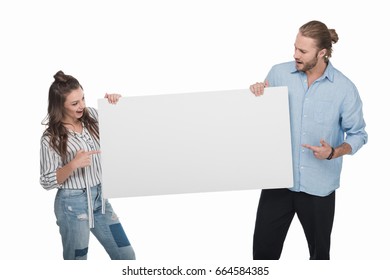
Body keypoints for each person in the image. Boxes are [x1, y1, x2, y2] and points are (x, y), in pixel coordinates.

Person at [249, 20, 367, 260]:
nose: (295, 55)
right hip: (278, 182)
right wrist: (257, 94)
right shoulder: (278, 73)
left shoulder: (344, 88)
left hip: (319, 188)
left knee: (319, 256)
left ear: (322, 53)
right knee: (263, 254)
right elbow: (261, 120)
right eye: (294, 48)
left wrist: (333, 152)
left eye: (302, 51)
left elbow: (358, 134)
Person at [40, 70, 136, 260]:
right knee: (78, 261)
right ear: (60, 106)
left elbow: (124, 125)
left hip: (100, 200)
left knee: (126, 255)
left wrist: (115, 105)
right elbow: (46, 181)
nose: (82, 106)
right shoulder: (51, 138)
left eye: (83, 98)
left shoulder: (91, 116)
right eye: (75, 103)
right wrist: (73, 164)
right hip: (72, 204)